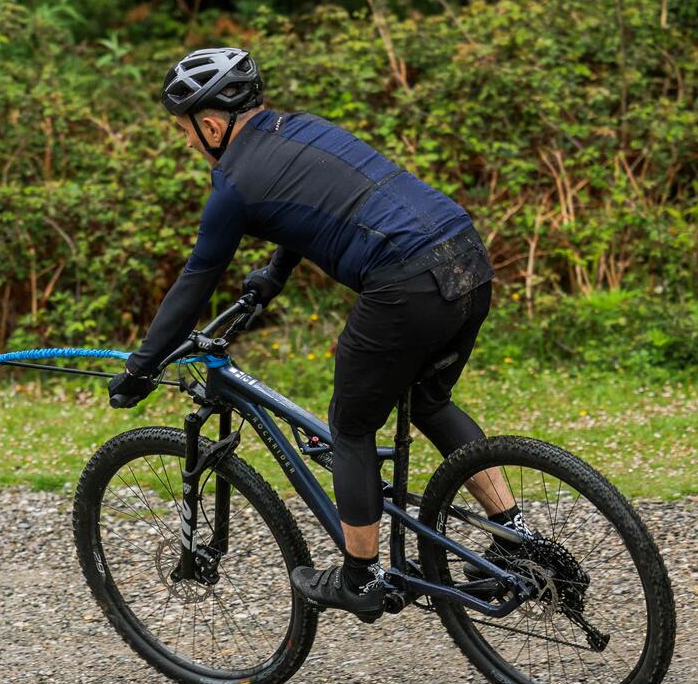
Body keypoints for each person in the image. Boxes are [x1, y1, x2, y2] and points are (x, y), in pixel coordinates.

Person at [107, 46, 526, 620]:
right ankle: (515, 536)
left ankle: (362, 578)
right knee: (430, 401)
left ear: (210, 124)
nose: (186, 142)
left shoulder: (232, 184)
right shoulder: (302, 128)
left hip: (404, 284)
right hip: (465, 257)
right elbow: (316, 204)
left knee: (350, 425)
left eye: (184, 130)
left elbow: (193, 285)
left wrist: (141, 365)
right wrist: (271, 279)